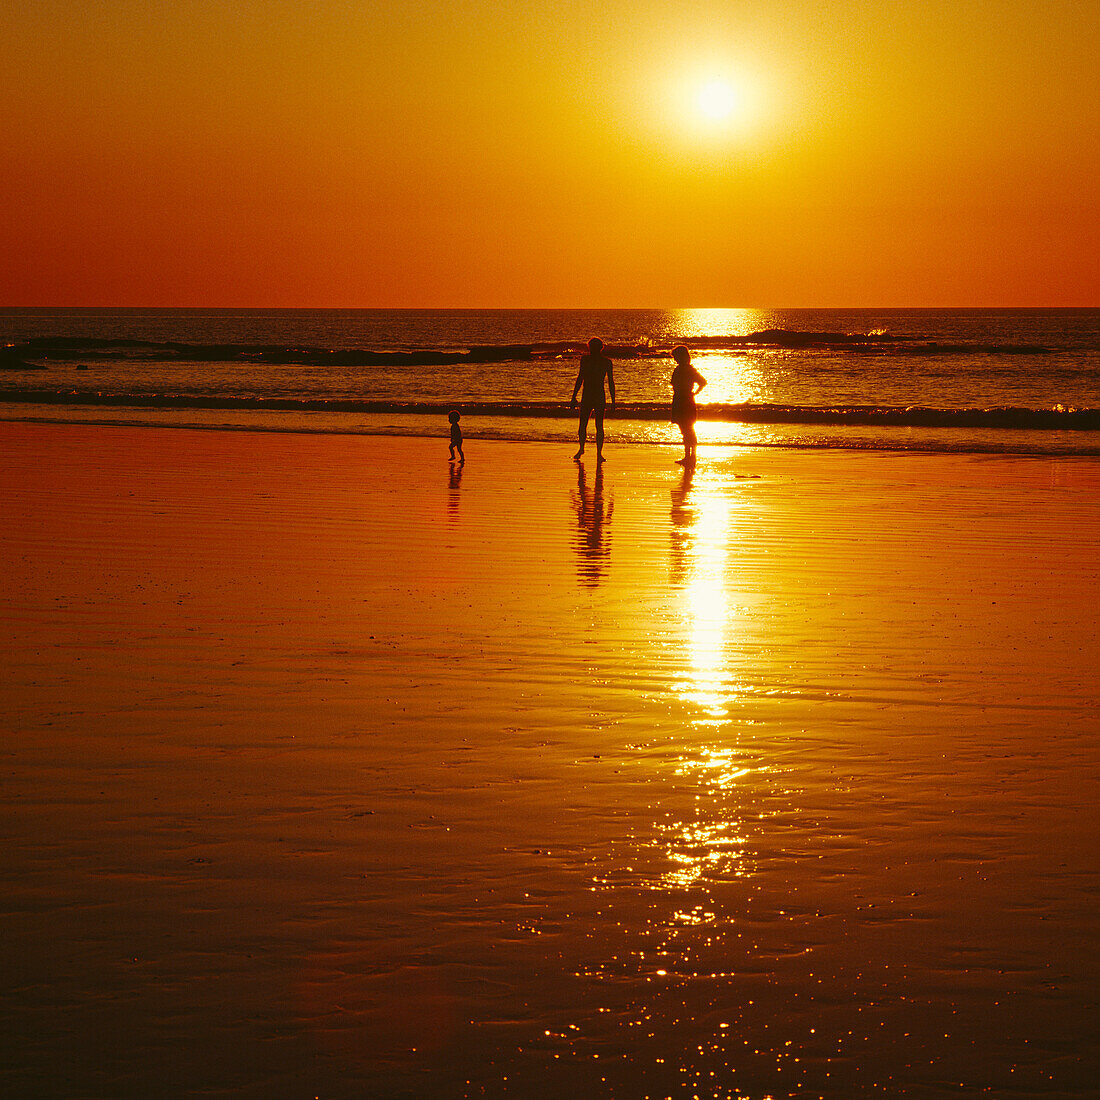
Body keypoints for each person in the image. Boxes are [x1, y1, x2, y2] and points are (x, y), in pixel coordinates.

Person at [570, 337, 615, 462]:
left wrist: (613, 400)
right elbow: (580, 378)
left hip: (596, 395)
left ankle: (598, 453)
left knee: (598, 425)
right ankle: (582, 448)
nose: (592, 350)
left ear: (599, 348)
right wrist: (574, 396)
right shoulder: (586, 360)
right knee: (584, 424)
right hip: (589, 395)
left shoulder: (605, 362)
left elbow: (611, 382)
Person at [669, 345, 707, 466]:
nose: (675, 359)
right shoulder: (683, 369)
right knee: (686, 429)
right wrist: (694, 393)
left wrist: (694, 393)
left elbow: (703, 382)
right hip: (682, 399)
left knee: (688, 429)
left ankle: (692, 456)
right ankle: (689, 456)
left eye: (676, 357)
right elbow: (702, 382)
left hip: (684, 400)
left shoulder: (687, 369)